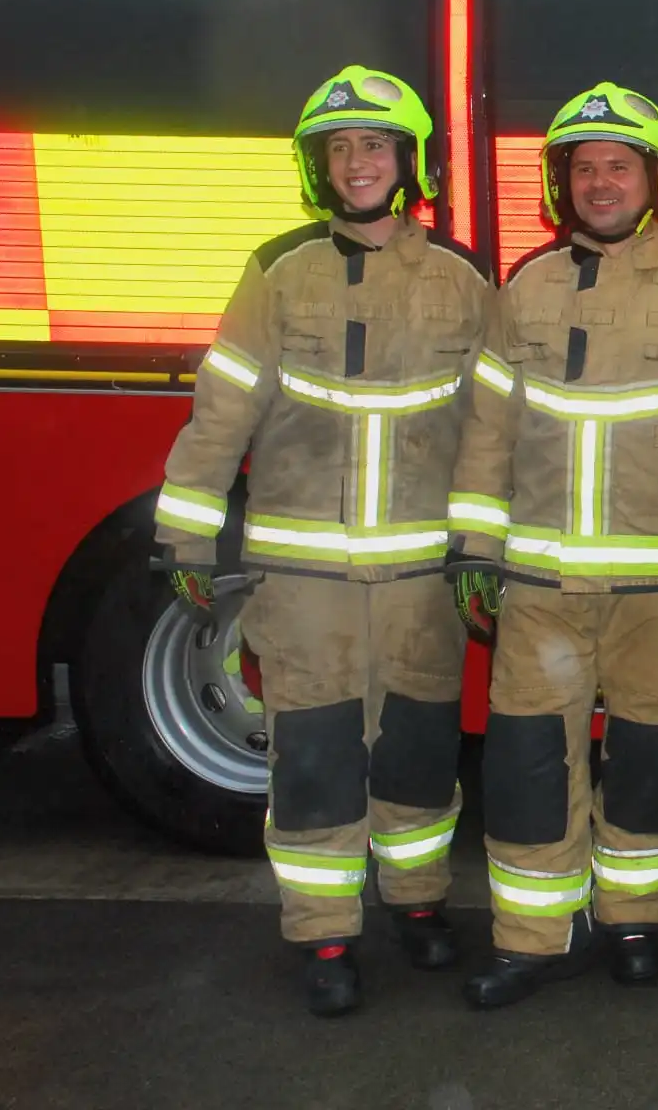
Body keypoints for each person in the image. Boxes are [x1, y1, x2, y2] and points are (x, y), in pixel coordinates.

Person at [154, 66, 492, 1016]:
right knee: (313, 760)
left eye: (374, 144)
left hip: (421, 577)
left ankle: (418, 902)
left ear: (409, 160)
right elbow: (224, 406)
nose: (356, 163)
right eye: (338, 148)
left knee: (419, 750)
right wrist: (186, 533)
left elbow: (496, 429)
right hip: (303, 579)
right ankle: (324, 933)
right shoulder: (278, 270)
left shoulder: (465, 278)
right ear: (317, 167)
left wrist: (484, 548)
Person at [447, 82, 658, 1009]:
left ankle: (635, 922)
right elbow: (488, 432)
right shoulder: (524, 287)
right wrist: (474, 547)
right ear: (561, 183)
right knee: (527, 770)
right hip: (539, 589)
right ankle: (534, 939)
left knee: (647, 767)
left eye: (618, 166)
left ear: (655, 180)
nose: (600, 183)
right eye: (583, 167)